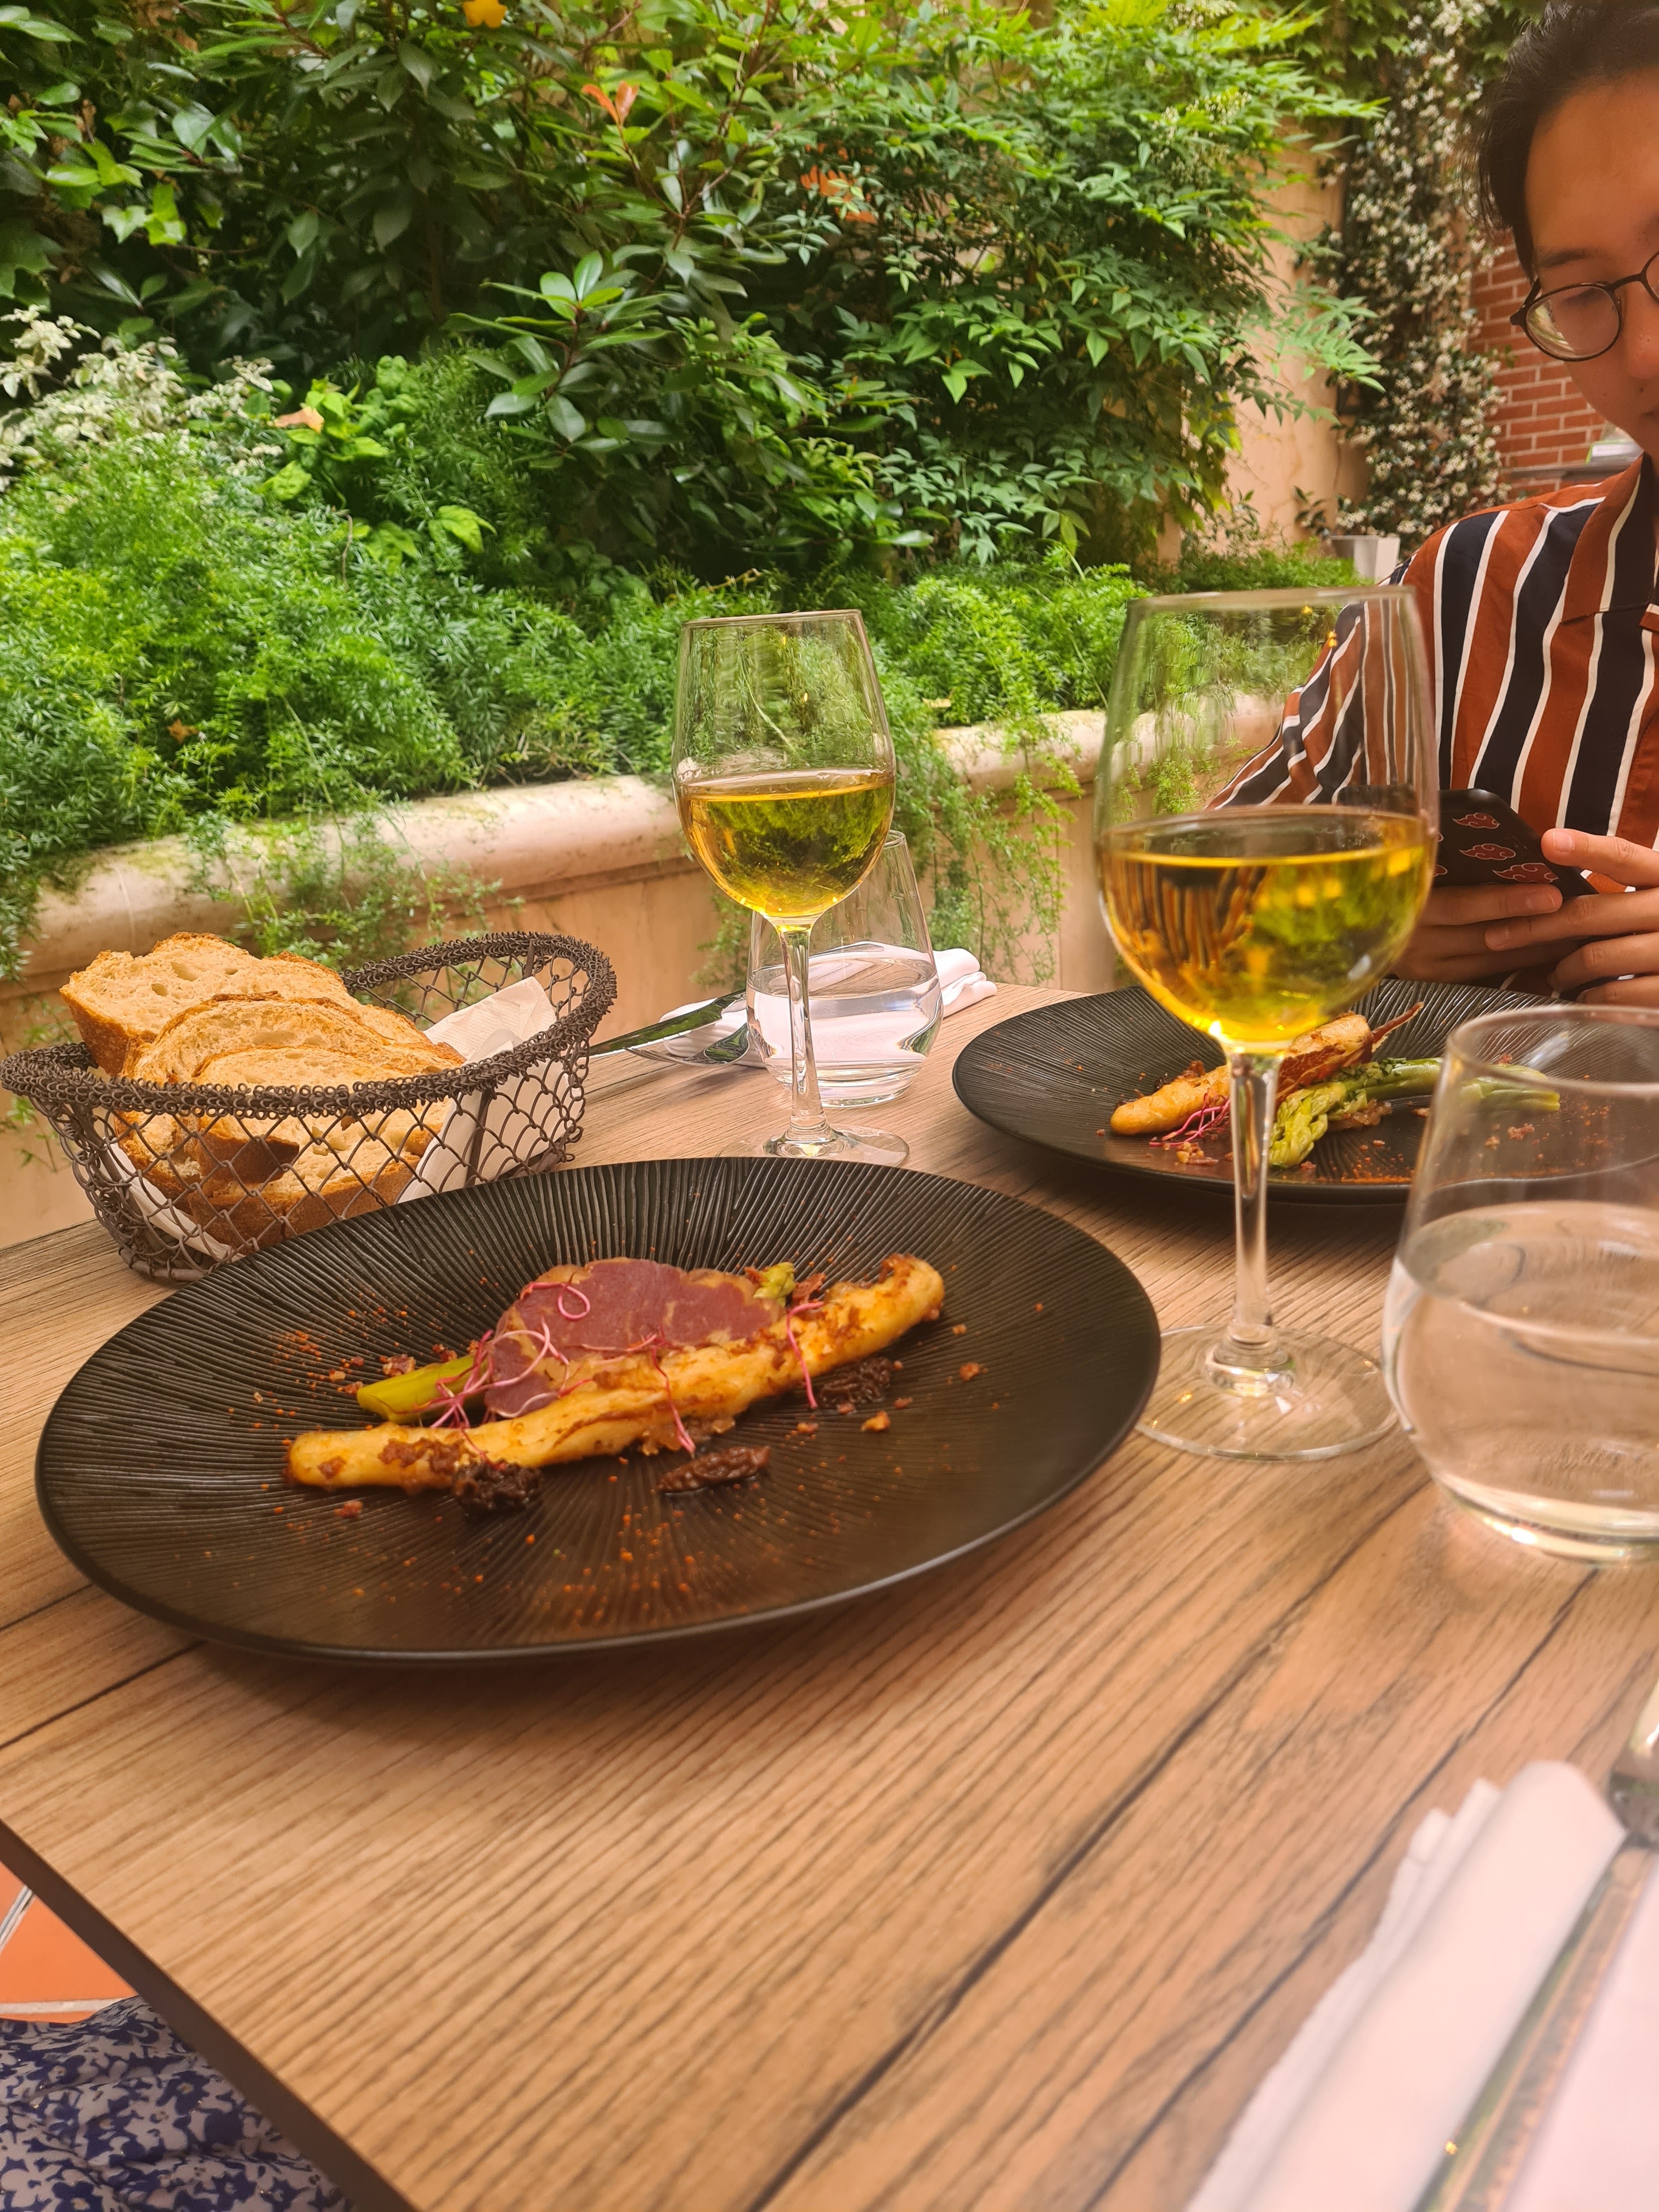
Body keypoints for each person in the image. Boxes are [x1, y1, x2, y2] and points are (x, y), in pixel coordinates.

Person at [1232, 0, 1659, 1005]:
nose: (1644, 353)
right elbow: (1216, 883)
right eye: (1583, 293)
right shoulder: (1469, 591)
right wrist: (1353, 930)